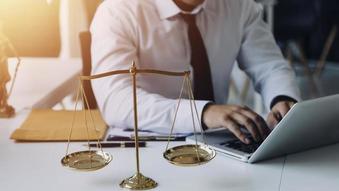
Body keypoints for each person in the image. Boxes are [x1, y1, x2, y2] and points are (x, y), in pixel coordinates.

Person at [90, 0, 301, 144]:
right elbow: (116, 100)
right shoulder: (118, 10)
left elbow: (269, 64)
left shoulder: (238, 5)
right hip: (147, 147)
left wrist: (282, 98)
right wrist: (203, 113)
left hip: (219, 144)